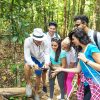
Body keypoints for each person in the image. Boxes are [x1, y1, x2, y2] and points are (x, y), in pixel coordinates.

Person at [54, 28, 100, 100]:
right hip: (86, 83)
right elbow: (78, 69)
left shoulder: (91, 48)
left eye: (73, 39)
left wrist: (86, 60)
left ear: (79, 37)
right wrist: (61, 69)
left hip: (95, 83)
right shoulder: (81, 50)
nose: (72, 41)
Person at [24, 28, 50, 100]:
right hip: (31, 57)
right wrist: (33, 64)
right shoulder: (27, 41)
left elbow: (47, 53)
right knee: (26, 66)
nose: (40, 41)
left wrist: (46, 63)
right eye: (38, 40)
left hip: (40, 58)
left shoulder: (46, 41)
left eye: (40, 40)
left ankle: (36, 92)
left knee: (38, 74)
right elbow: (27, 56)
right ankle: (28, 84)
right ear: (33, 38)